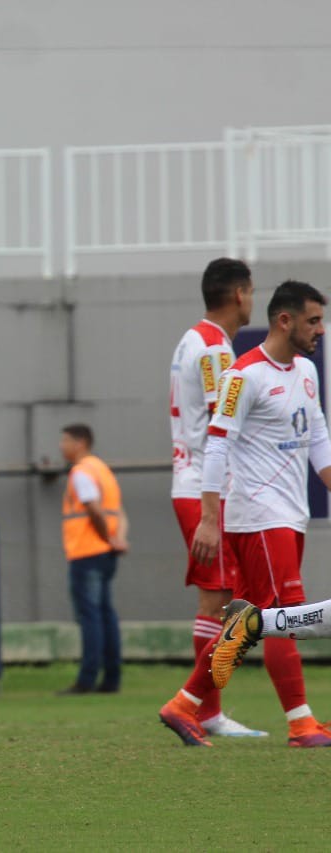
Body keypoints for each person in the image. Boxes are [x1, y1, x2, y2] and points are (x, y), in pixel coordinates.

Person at [159, 280, 331, 748]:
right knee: (286, 615)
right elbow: (218, 444)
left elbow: (318, 438)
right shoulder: (243, 375)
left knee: (250, 623)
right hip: (257, 516)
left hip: (289, 515)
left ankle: (184, 704)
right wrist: (209, 518)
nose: (320, 330)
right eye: (313, 321)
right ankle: (301, 724)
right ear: (285, 320)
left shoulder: (306, 371)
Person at [165, 258, 265, 736]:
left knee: (224, 599)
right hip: (206, 489)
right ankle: (203, 710)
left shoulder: (195, 339)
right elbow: (221, 423)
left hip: (195, 484)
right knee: (221, 600)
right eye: (252, 292)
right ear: (240, 294)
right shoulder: (214, 350)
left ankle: (205, 709)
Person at [57, 424, 128, 695]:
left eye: (65, 441)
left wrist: (107, 537)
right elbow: (119, 512)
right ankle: (111, 678)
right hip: (106, 553)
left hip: (86, 551)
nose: (61, 446)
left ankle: (87, 679)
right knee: (106, 614)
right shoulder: (103, 470)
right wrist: (118, 539)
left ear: (80, 443)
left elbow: (94, 509)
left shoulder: (82, 472)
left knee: (90, 616)